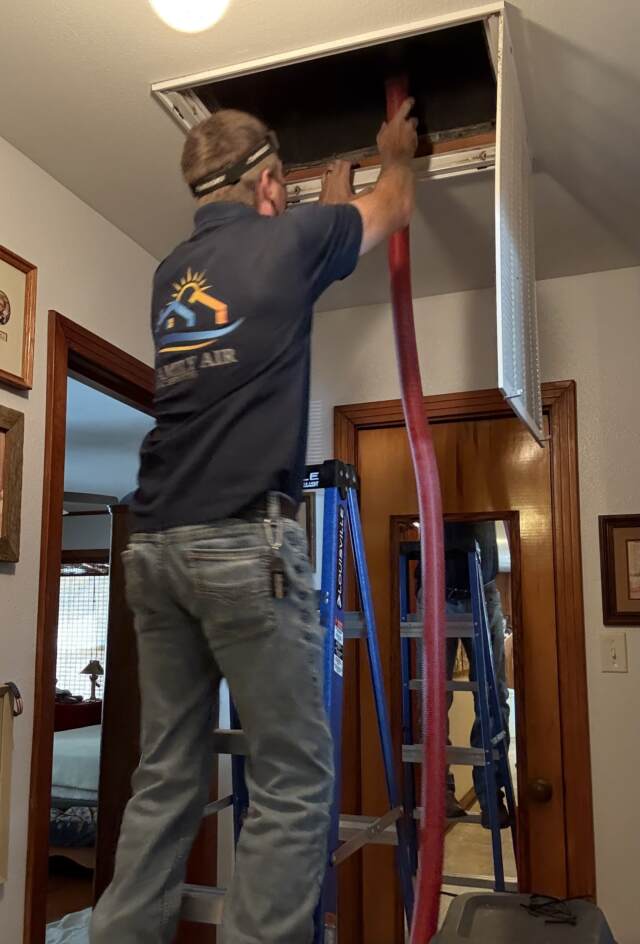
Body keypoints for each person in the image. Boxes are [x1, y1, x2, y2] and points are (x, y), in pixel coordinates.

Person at [90, 102, 418, 944]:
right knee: (295, 777)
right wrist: (391, 154)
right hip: (243, 542)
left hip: (154, 543)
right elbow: (394, 206)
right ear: (271, 181)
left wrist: (322, 207)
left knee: (166, 775)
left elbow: (287, 249)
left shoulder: (170, 273)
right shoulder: (296, 240)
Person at [415, 521, 511, 828]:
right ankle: (439, 791)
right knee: (432, 697)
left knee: (493, 695)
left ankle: (489, 792)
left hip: (482, 589)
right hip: (435, 590)